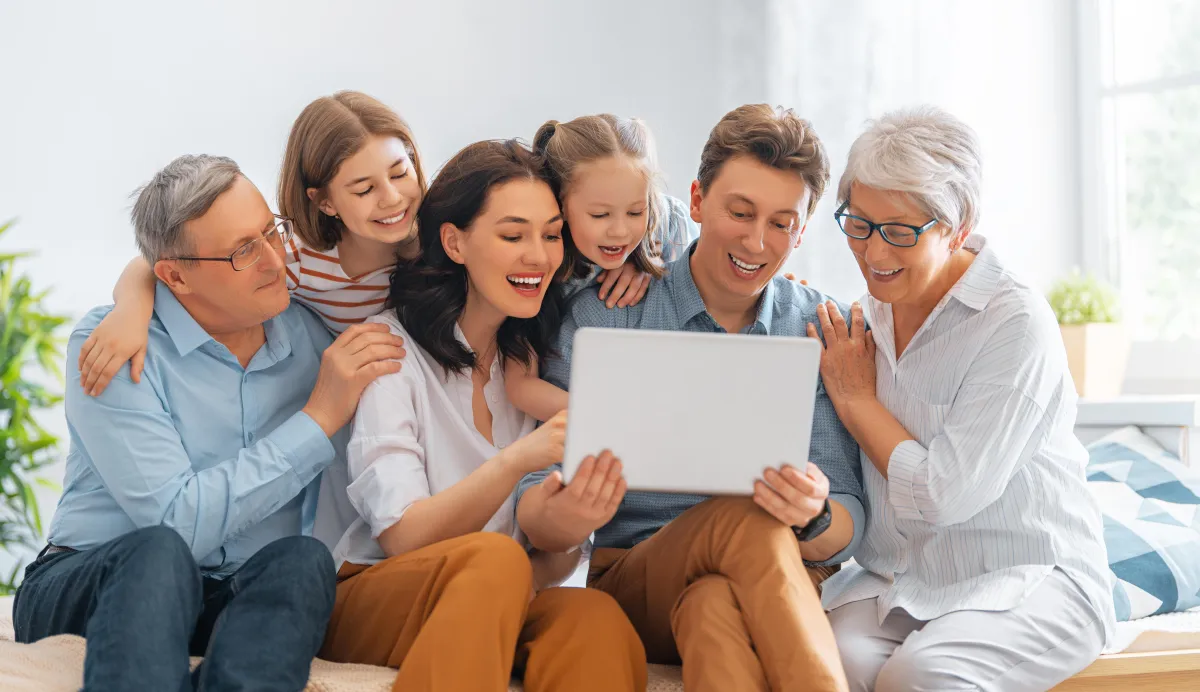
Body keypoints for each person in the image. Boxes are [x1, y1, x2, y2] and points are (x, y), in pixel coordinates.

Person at [11, 154, 404, 691]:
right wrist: (316, 421)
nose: (274, 260)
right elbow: (175, 523)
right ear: (174, 275)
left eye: (272, 232)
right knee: (158, 549)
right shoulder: (115, 344)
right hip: (94, 579)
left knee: (303, 559)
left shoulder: (315, 340)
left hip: (230, 592)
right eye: (244, 249)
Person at [516, 104, 865, 692]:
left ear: (803, 230)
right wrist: (567, 514)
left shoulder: (817, 329)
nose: (758, 241)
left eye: (782, 222)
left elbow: (853, 521)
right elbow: (535, 496)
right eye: (741, 212)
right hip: (635, 578)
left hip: (768, 584)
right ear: (698, 202)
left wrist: (816, 513)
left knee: (713, 608)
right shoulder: (607, 317)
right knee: (747, 518)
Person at [317, 139, 647, 692]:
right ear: (455, 242)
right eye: (513, 235)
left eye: (550, 234)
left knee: (595, 618)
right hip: (377, 590)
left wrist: (567, 529)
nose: (539, 257)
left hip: (499, 594)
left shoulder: (540, 363)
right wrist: (517, 461)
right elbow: (401, 538)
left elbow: (544, 563)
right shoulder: (390, 351)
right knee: (496, 560)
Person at [812, 106, 1115, 691]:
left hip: (1031, 572)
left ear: (959, 222)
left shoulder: (1014, 323)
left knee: (922, 674)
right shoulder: (868, 314)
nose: (874, 255)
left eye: (899, 232)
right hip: (909, 579)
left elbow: (942, 494)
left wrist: (859, 404)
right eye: (858, 225)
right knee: (822, 660)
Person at [77, 94, 654, 396]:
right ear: (325, 201)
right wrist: (131, 310)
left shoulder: (441, 235)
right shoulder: (296, 260)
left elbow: (578, 208)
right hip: (349, 398)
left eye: (400, 172)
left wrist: (638, 257)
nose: (392, 199)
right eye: (363, 188)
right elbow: (163, 261)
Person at [505, 113, 699, 421]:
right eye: (600, 216)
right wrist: (612, 418)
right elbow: (519, 387)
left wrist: (644, 260)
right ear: (560, 204)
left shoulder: (667, 222)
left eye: (635, 212)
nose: (621, 232)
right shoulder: (539, 267)